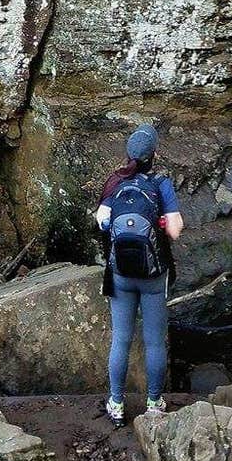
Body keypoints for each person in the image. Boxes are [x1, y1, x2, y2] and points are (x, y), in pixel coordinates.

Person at [95, 125, 182, 424]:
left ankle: (116, 404)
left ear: (128, 154)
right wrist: (156, 223)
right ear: (154, 155)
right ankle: (154, 403)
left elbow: (102, 223)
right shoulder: (161, 183)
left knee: (120, 339)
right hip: (153, 275)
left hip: (119, 273)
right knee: (155, 341)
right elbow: (175, 230)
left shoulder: (114, 183)